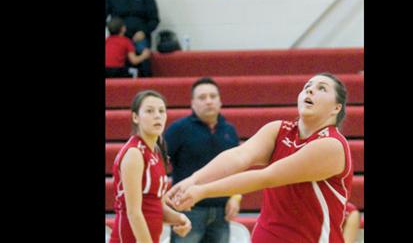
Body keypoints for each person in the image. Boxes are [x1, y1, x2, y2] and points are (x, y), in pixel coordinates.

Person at [166, 72, 353, 243]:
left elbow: (267, 177)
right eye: (307, 86)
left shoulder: (331, 145)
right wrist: (193, 180)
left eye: (322, 88)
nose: (310, 89)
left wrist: (202, 191)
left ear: (337, 107)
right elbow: (239, 156)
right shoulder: (278, 130)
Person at [164, 77, 242, 243]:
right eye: (202, 97)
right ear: (192, 103)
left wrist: (235, 197)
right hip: (188, 210)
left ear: (220, 101)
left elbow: (237, 167)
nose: (208, 101)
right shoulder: (178, 129)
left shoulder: (229, 130)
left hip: (222, 211)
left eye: (213, 96)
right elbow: (158, 161)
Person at [109, 90, 192, 243]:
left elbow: (155, 206)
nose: (157, 115)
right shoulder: (134, 153)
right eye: (149, 111)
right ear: (135, 117)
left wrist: (180, 218)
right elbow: (134, 213)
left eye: (161, 111)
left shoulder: (156, 152)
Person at [105, 0, 160, 77]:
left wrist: (144, 32)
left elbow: (154, 19)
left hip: (140, 37)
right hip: (118, 39)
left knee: (144, 64)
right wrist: (114, 32)